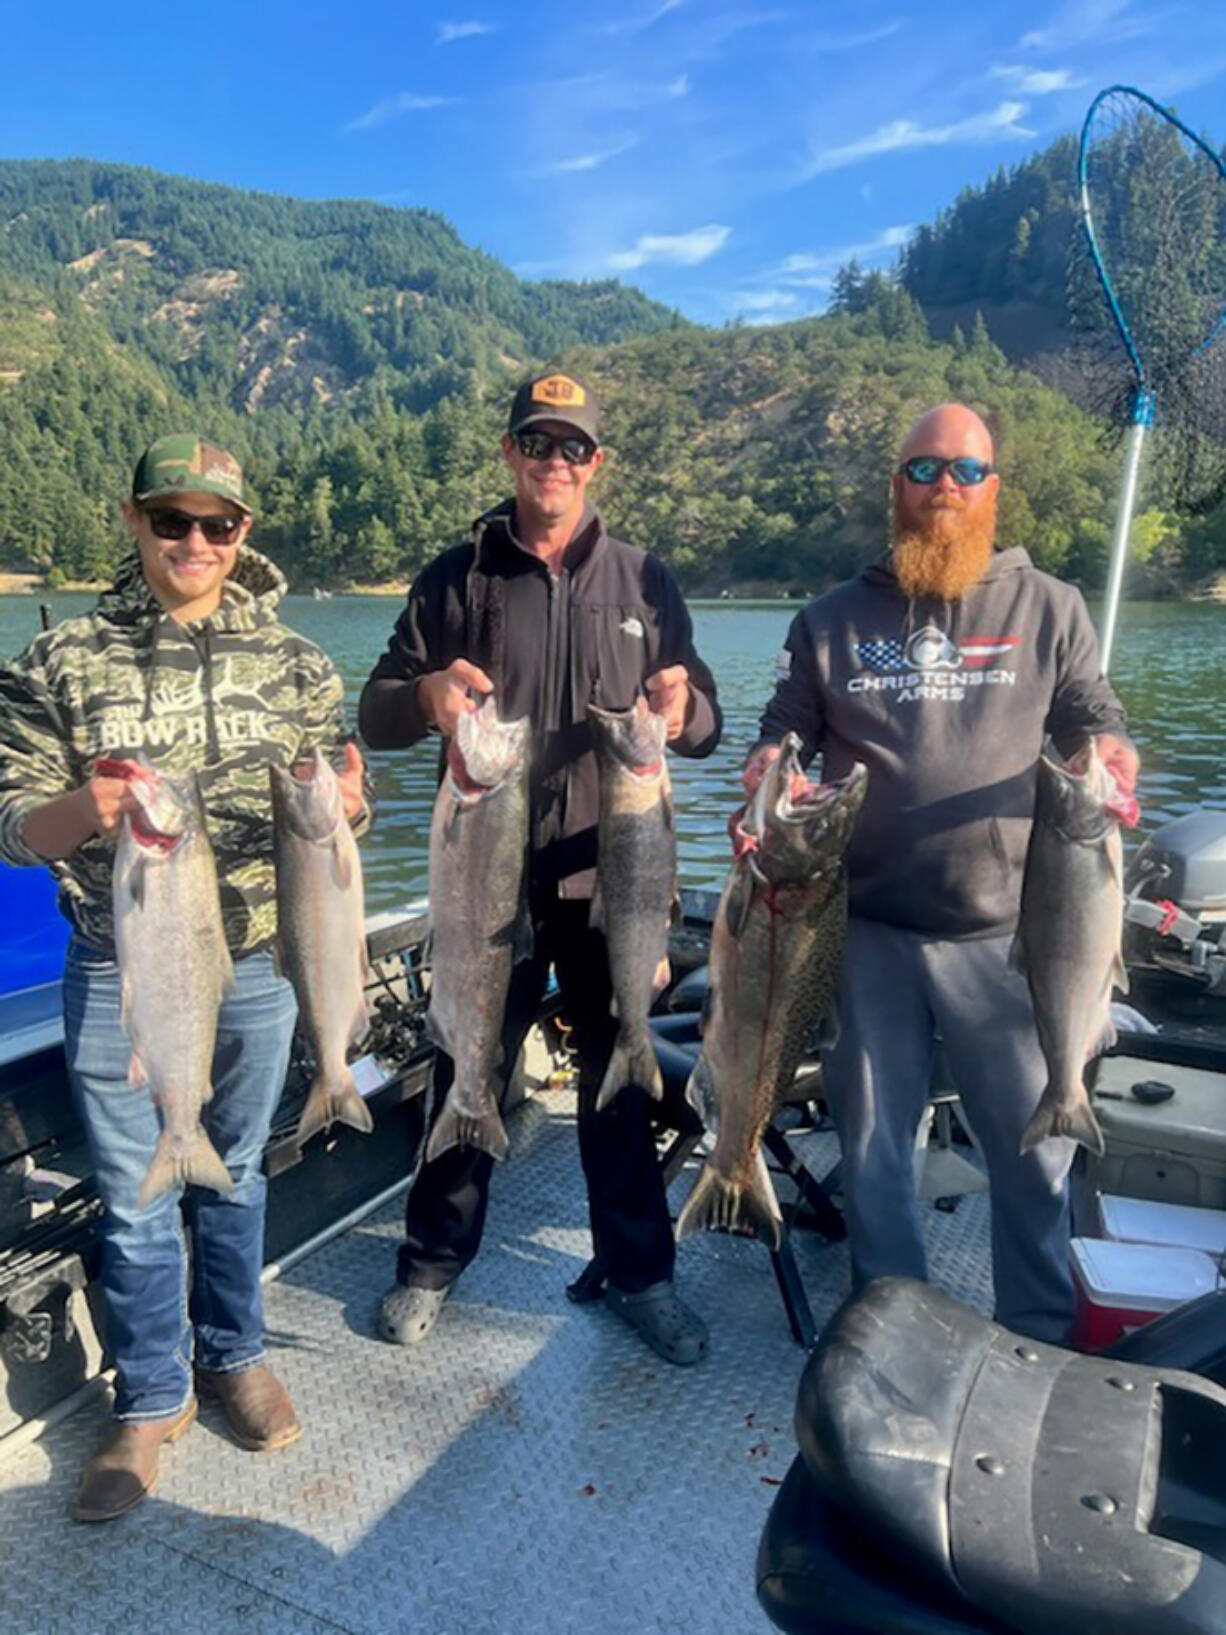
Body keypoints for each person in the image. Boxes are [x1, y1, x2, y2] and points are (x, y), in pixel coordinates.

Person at [0, 435, 369, 1521]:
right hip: (124, 969)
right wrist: (85, 813)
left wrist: (352, 804)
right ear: (135, 522)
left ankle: (233, 1356)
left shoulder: (299, 664)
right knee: (132, 1195)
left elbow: (344, 801)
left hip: (260, 962)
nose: (195, 542)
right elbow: (13, 824)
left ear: (243, 535)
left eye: (218, 524)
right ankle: (150, 1399)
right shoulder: (59, 659)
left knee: (240, 1169)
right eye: (173, 521)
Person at [743, 403, 1138, 1344]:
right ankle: (895, 1335)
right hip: (864, 928)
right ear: (896, 487)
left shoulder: (1051, 608)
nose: (945, 490)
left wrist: (1114, 751)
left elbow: (1092, 712)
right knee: (875, 1155)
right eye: (924, 471)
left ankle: (1038, 1332)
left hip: (1014, 935)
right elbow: (786, 722)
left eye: (966, 472)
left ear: (994, 489)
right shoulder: (832, 618)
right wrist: (768, 764)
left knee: (1033, 1153)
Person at [360, 369, 722, 1365]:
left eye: (572, 446)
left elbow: (706, 723)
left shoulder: (644, 581)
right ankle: (429, 1265)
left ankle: (641, 1277)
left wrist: (682, 709)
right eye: (536, 442)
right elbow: (375, 711)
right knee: (461, 1060)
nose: (552, 461)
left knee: (618, 1080)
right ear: (509, 452)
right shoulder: (454, 577)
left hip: (611, 880)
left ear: (595, 462)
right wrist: (427, 693)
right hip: (484, 880)